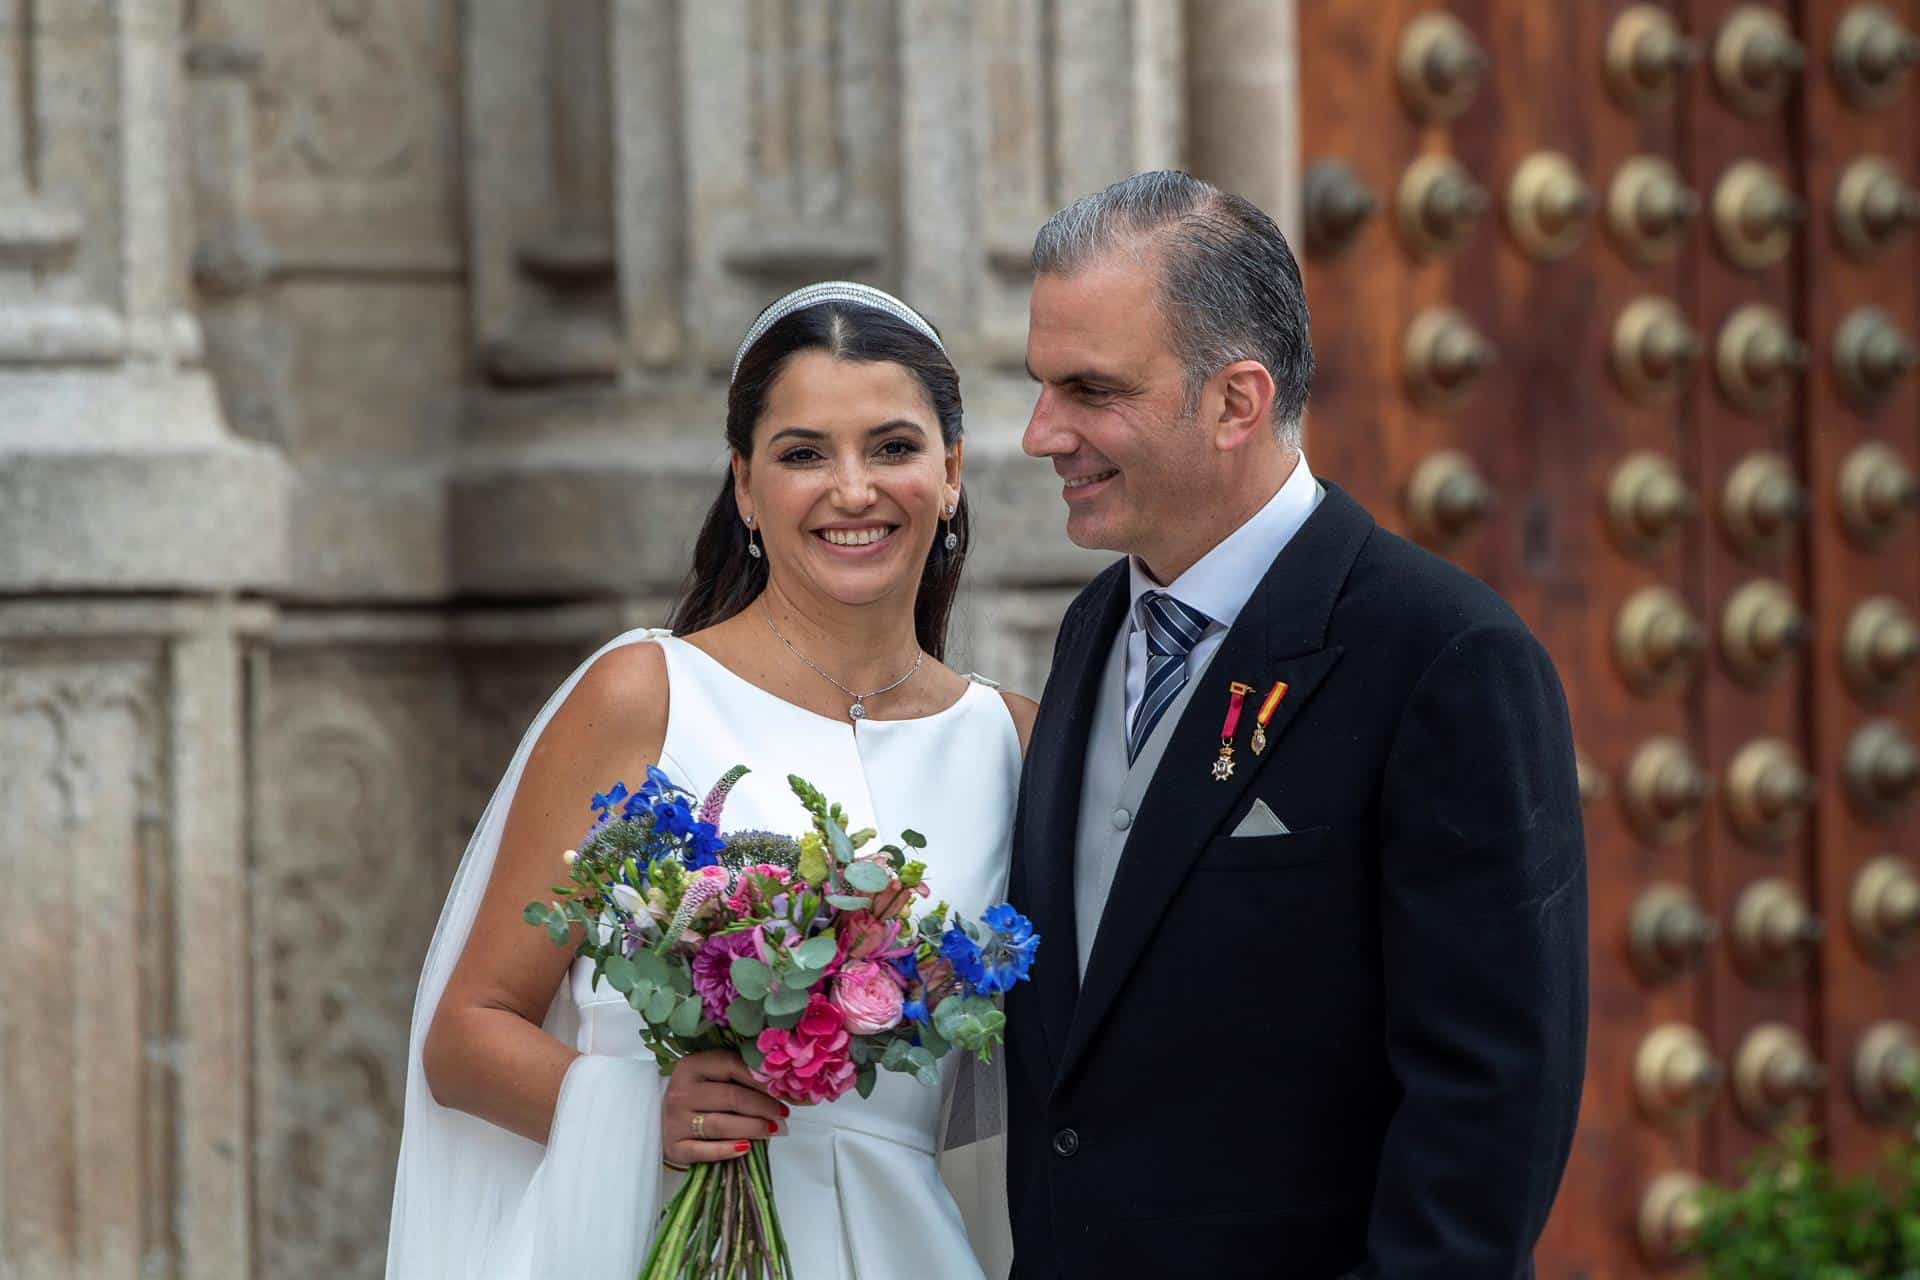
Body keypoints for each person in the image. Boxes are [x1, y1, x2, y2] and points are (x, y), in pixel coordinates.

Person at [386, 282, 1035, 1279]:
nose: (852, 488)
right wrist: (638, 1105)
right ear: (743, 485)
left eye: (894, 448)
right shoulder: (646, 694)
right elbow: (465, 1034)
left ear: (951, 473)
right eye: (804, 452)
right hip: (653, 1236)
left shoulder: (1014, 744)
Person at [1004, 171, 1588, 1278]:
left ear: (1236, 400)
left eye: (1089, 390)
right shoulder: (1094, 624)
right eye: (1041, 385)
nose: (1043, 434)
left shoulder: (1444, 657)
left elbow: (1490, 1099)